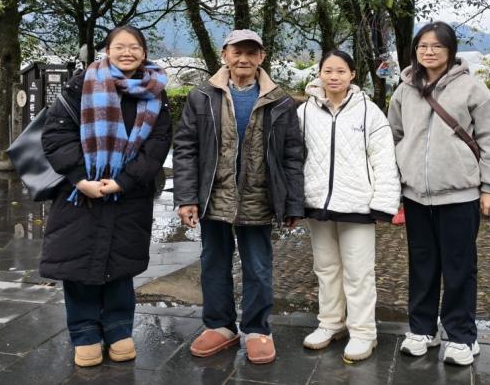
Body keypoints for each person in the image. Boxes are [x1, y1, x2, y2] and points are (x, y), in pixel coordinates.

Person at [38, 26, 171, 367]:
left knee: (121, 265)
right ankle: (84, 332)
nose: (127, 53)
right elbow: (56, 134)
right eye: (120, 47)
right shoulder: (81, 84)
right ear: (107, 51)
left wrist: (124, 181)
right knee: (78, 263)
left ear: (144, 52)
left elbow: (158, 144)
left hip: (129, 195)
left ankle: (118, 329)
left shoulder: (156, 93)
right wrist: (80, 178)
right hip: (80, 193)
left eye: (134, 47)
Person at [172, 29, 305, 365]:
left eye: (251, 52)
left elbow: (292, 154)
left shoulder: (280, 100)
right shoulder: (202, 96)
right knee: (213, 263)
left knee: (258, 266)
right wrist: (186, 197)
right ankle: (219, 325)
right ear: (225, 55)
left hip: (259, 197)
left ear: (261, 57)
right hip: (214, 195)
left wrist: (293, 203)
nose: (243, 59)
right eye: (237, 52)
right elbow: (186, 148)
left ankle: (257, 328)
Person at [388, 22, 490, 366]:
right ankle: (422, 330)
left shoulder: (472, 89)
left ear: (450, 51)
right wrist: (396, 185)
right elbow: (393, 137)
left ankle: (461, 337)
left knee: (459, 268)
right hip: (416, 195)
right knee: (422, 266)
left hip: (460, 195)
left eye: (436, 46)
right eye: (423, 46)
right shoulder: (404, 91)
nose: (428, 52)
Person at [298, 50, 400, 362]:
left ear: (352, 74)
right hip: (318, 202)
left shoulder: (369, 112)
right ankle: (331, 323)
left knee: (359, 272)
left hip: (358, 204)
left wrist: (383, 204)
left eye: (341, 71)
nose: (334, 77)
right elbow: (293, 156)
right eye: (328, 70)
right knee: (326, 268)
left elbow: (384, 159)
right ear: (319, 73)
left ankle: (363, 332)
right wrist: (293, 199)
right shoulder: (304, 112)